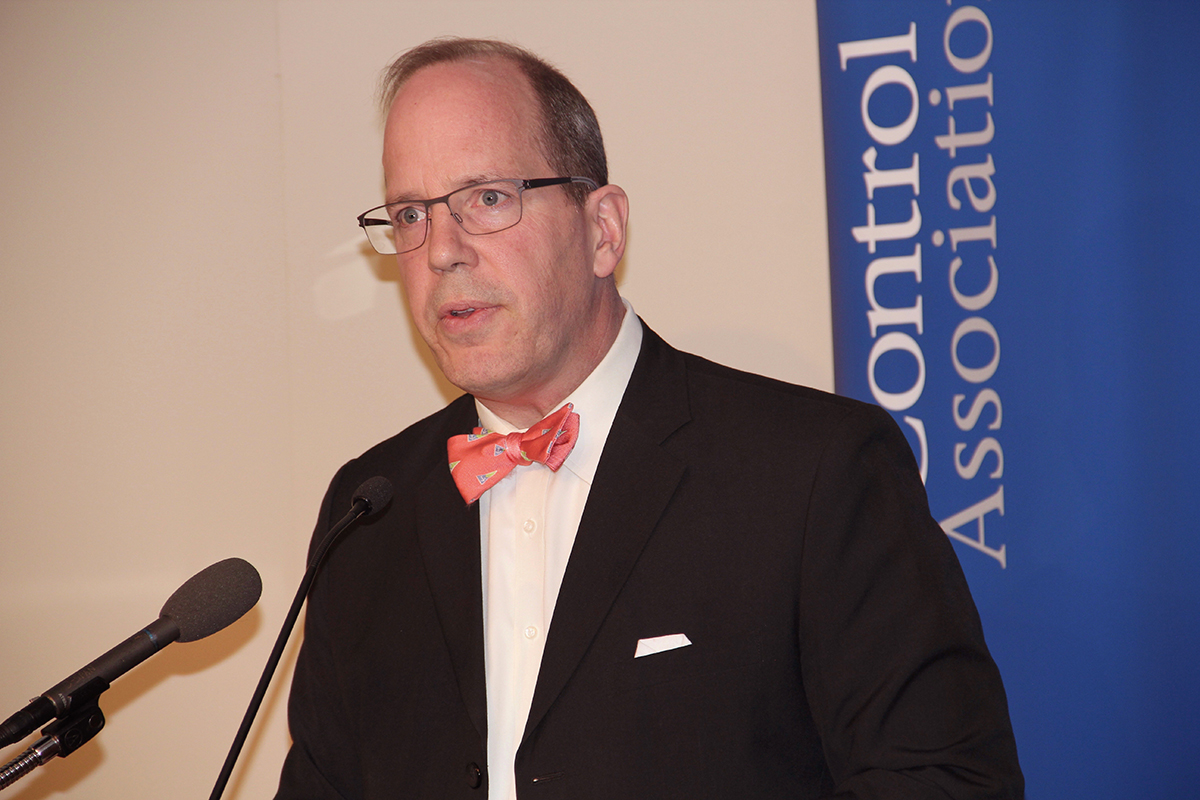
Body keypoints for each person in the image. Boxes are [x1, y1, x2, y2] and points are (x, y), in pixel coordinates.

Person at [275, 37, 1023, 799]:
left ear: (603, 231)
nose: (441, 252)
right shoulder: (368, 510)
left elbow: (949, 780)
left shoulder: (813, 471)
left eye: (488, 198)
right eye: (410, 215)